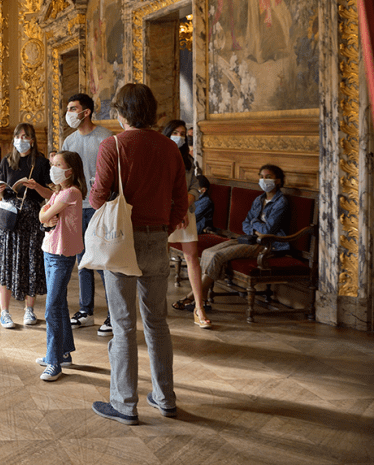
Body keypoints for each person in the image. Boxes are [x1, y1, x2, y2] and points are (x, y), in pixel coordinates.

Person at [88, 83, 187, 425]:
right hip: (158, 239)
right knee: (158, 323)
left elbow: (99, 197)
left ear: (120, 112)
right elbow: (181, 200)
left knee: (124, 324)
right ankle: (165, 397)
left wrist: (92, 198)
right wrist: (164, 227)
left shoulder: (113, 145)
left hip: (121, 242)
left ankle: (125, 403)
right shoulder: (169, 148)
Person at [195, 164, 290, 310]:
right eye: (262, 177)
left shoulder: (281, 202)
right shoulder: (259, 199)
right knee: (209, 252)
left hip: (270, 245)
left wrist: (254, 224)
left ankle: (194, 297)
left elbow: (268, 230)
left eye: (268, 177)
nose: (264, 180)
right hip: (251, 239)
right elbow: (245, 224)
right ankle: (202, 300)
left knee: (218, 256)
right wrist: (255, 227)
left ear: (278, 181)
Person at [0, 123, 52, 329]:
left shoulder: (42, 163)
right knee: (5, 263)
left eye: (25, 136)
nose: (21, 139)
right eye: (18, 136)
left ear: (32, 140)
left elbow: (52, 194)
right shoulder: (7, 161)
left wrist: (38, 187)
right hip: (8, 218)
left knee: (30, 263)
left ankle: (29, 309)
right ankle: (4, 312)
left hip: (31, 218)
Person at [61, 93, 113, 334]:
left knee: (102, 261)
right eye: (68, 108)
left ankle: (113, 314)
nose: (69, 113)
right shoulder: (69, 142)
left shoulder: (105, 138)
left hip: (99, 208)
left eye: (74, 108)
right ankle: (86, 310)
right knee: (81, 261)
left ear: (87, 112)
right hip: (75, 207)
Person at [37, 150, 87, 381]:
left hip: (62, 254)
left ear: (71, 170)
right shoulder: (58, 192)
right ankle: (63, 353)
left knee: (52, 308)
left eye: (59, 164)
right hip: (50, 250)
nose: (53, 168)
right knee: (58, 304)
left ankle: (54, 362)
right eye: (52, 164)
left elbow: (44, 216)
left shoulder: (72, 193)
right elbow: (42, 214)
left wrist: (46, 214)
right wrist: (46, 214)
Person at [162, 120, 211, 328]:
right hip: (164, 213)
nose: (179, 136)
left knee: (192, 258)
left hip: (185, 214)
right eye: (175, 132)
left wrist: (182, 208)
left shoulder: (189, 160)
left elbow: (194, 187)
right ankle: (157, 306)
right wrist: (175, 209)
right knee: (160, 260)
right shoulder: (158, 156)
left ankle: (199, 307)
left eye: (182, 133)